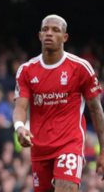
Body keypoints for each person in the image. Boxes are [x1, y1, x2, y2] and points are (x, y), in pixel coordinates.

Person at [13, 15, 104, 192]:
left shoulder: (80, 67)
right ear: (39, 36)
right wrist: (19, 127)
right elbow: (20, 107)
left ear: (64, 37)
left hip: (69, 145)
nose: (49, 33)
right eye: (46, 30)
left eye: (55, 30)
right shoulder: (26, 70)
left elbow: (96, 110)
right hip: (39, 148)